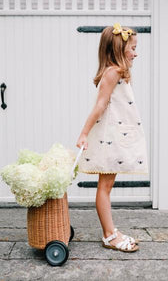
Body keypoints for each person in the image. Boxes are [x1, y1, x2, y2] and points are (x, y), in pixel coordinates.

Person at [76, 23, 149, 252]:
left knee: (106, 186)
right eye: (133, 48)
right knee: (104, 187)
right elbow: (100, 106)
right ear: (119, 48)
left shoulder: (118, 71)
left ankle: (111, 231)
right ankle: (109, 235)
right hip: (110, 137)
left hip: (116, 136)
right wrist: (84, 133)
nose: (136, 53)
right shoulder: (113, 72)